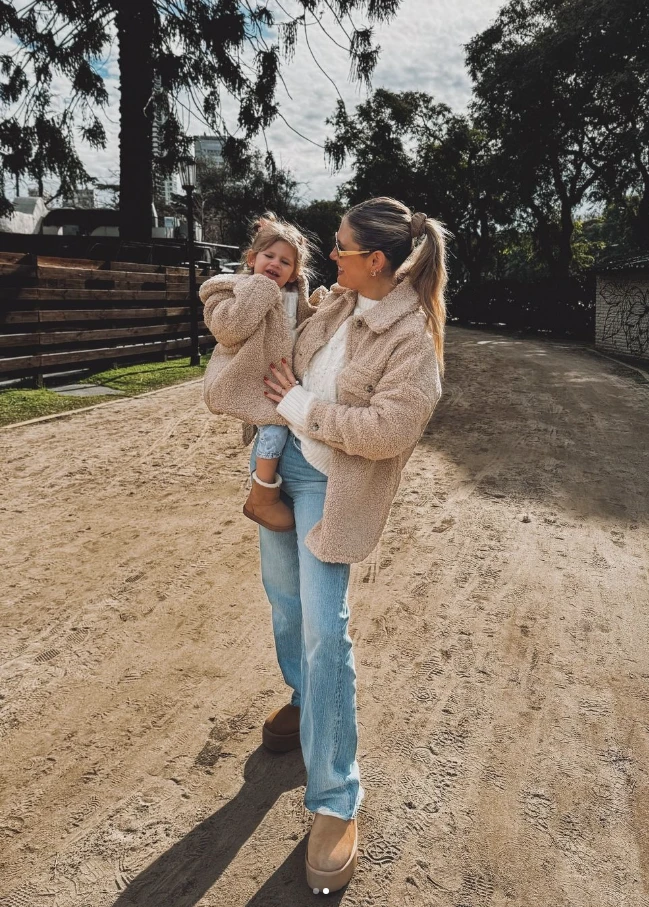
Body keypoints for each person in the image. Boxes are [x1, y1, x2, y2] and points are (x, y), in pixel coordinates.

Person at [202, 196, 448, 895]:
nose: (329, 256)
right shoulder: (337, 304)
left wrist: (299, 409)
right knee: (284, 607)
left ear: (376, 261)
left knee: (322, 631)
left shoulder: (411, 340)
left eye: (339, 247)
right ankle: (307, 704)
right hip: (284, 470)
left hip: (330, 487)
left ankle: (336, 796)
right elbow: (274, 342)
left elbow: (386, 431)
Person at [200, 213, 317, 532]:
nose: (276, 264)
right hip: (250, 379)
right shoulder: (230, 290)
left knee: (281, 425)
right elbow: (230, 329)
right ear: (252, 258)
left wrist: (318, 305)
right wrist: (261, 288)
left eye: (286, 262)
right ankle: (262, 494)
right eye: (269, 256)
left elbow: (303, 324)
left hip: (277, 379)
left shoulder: (291, 296)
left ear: (295, 273)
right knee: (274, 428)